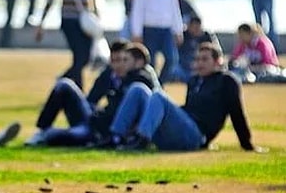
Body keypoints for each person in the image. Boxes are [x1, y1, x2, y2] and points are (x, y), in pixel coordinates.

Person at [106, 43, 257, 152]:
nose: (199, 63)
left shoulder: (226, 81)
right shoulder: (194, 80)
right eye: (197, 59)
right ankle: (115, 137)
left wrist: (247, 144)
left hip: (196, 136)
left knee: (158, 96)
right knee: (138, 89)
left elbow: (237, 113)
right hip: (181, 129)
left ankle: (141, 140)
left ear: (218, 62)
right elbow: (189, 109)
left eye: (204, 59)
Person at [24, 40, 131, 147]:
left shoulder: (135, 80)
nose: (118, 65)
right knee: (64, 85)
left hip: (103, 131)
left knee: (59, 136)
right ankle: (42, 130)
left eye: (123, 60)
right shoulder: (108, 74)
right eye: (114, 61)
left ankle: (49, 135)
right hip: (93, 121)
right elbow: (91, 99)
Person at [129, 0, 183, 85]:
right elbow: (137, 12)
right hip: (149, 29)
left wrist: (178, 30)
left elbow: (175, 11)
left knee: (171, 59)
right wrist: (137, 33)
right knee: (150, 61)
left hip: (166, 30)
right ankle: (151, 84)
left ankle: (160, 83)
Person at [173, 16, 221, 83]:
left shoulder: (207, 37)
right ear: (189, 26)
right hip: (183, 67)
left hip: (201, 68)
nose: (196, 30)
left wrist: (197, 63)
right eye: (194, 27)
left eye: (198, 27)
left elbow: (217, 53)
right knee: (174, 70)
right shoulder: (182, 36)